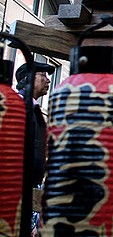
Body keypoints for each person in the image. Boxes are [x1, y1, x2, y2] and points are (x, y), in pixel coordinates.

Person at [15, 61, 54, 236]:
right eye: (43, 76)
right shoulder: (17, 107)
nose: (48, 80)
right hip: (16, 188)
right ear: (27, 78)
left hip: (32, 187)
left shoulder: (35, 110)